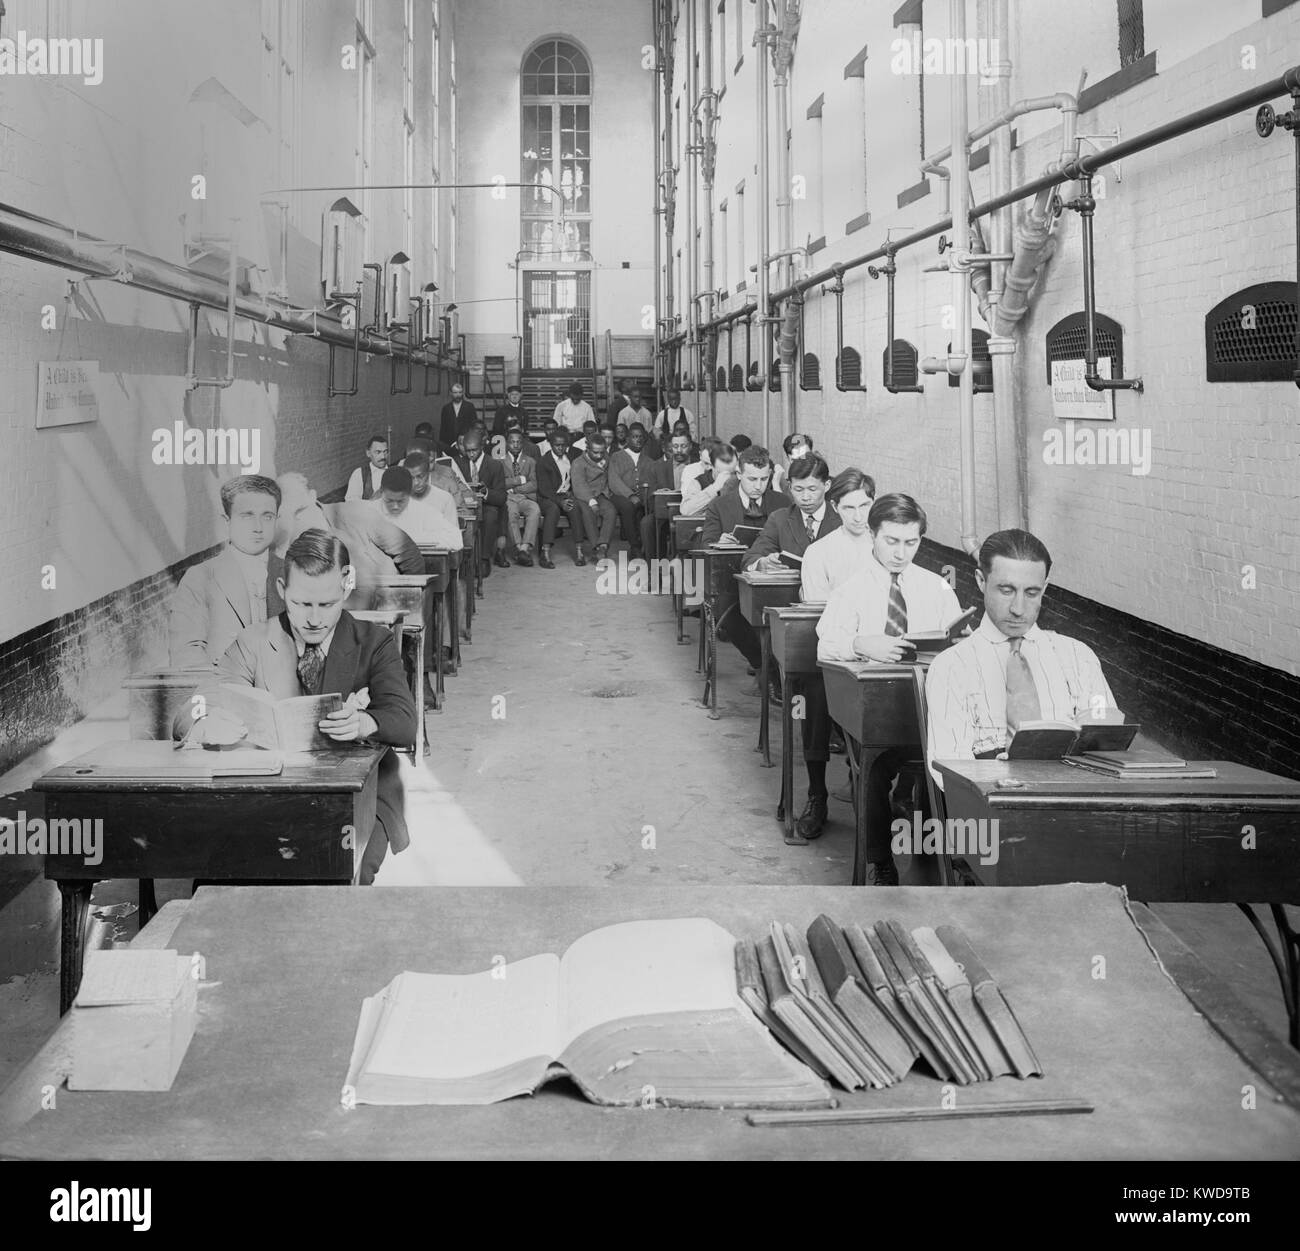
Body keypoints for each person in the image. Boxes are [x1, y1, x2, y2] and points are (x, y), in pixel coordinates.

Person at [174, 529, 416, 885]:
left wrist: (365, 722)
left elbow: (405, 721)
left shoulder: (373, 642)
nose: (314, 619)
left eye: (328, 604)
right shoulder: (253, 642)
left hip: (359, 799)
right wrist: (203, 721)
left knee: (344, 865)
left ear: (346, 589)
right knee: (225, 876)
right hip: (272, 798)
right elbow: (195, 703)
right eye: (302, 604)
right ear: (281, 590)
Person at [817, 494, 964, 885]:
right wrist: (861, 643)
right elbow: (825, 642)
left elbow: (958, 646)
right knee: (875, 768)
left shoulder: (936, 588)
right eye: (891, 541)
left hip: (932, 709)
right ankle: (880, 859)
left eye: (911, 543)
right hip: (879, 713)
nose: (901, 553)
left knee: (957, 763)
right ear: (873, 535)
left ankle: (947, 857)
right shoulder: (851, 590)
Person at [926, 527, 1120, 776]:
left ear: (1045, 587)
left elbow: (1109, 750)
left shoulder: (1078, 657)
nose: (1019, 609)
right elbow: (949, 769)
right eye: (1006, 590)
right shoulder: (951, 666)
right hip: (994, 804)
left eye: (1031, 592)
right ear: (981, 581)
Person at [742, 454, 842, 837]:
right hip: (798, 625)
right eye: (797, 489)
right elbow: (753, 555)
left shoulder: (844, 522)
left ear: (827, 485)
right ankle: (817, 792)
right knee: (809, 699)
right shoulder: (780, 520)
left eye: (812, 489)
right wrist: (763, 563)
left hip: (841, 626)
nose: (804, 496)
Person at [701, 446, 792, 698]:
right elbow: (705, 543)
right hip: (732, 579)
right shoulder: (720, 506)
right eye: (752, 479)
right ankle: (765, 666)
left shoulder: (782, 502)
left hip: (775, 578)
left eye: (764, 479)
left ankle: (782, 670)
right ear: (738, 474)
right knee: (728, 614)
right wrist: (720, 542)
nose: (758, 486)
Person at [169, 475, 286, 667]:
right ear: (227, 521)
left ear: (276, 519)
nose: (258, 528)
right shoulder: (201, 578)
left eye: (267, 516)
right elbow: (186, 655)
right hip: (224, 690)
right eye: (247, 516)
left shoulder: (293, 572)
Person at [276, 472, 423, 607]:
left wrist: (412, 606)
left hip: (390, 604)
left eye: (301, 511)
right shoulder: (291, 546)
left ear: (313, 497)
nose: (300, 520)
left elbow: (408, 552)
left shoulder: (356, 513)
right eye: (291, 517)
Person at [800, 468, 878, 602]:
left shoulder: (888, 545)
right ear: (835, 506)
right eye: (849, 508)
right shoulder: (818, 553)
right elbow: (817, 611)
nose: (858, 517)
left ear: (874, 501)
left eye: (864, 506)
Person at [449, 428, 509, 571]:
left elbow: (502, 497)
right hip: (465, 505)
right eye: (467, 450)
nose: (470, 454)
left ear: (482, 447)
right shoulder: (458, 464)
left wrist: (486, 492)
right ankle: (462, 558)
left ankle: (484, 558)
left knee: (490, 515)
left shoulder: (495, 465)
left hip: (488, 505)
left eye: (474, 450)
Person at [371, 465, 463, 550]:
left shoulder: (423, 511)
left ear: (409, 493)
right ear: (381, 492)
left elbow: (456, 540)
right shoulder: (369, 510)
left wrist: (413, 538)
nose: (395, 507)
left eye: (400, 501)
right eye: (389, 501)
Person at [639, 430, 694, 558]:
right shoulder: (658, 467)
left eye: (683, 446)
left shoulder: (699, 465)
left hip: (693, 513)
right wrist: (656, 494)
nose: (679, 450)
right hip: (665, 515)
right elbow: (647, 498)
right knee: (647, 523)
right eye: (675, 446)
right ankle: (655, 568)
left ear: (690, 446)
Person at [536, 426, 585, 569]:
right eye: (557, 445)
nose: (560, 448)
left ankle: (579, 551)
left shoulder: (570, 457)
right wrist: (560, 501)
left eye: (564, 445)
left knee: (574, 507)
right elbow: (544, 489)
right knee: (553, 510)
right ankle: (545, 553)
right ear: (551, 445)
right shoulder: (544, 461)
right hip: (547, 497)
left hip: (565, 495)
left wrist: (569, 495)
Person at [608, 423, 658, 560]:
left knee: (646, 508)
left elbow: (652, 482)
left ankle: (646, 545)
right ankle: (635, 546)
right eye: (635, 437)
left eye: (641, 437)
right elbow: (614, 480)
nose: (638, 440)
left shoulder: (649, 461)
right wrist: (630, 495)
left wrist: (644, 496)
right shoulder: (616, 457)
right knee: (628, 506)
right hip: (620, 495)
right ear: (628, 438)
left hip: (641, 495)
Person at [570, 425, 618, 565]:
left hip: (601, 494)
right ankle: (595, 547)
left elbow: (610, 477)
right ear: (587, 449)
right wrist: (591, 501)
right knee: (588, 513)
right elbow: (579, 485)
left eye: (601, 452)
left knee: (610, 511)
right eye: (595, 452)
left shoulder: (606, 458)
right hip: (583, 496)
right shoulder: (578, 463)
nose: (599, 456)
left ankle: (603, 545)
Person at [502, 428, 541, 566]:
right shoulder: (499, 461)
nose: (516, 445)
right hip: (508, 499)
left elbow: (535, 484)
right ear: (507, 443)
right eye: (512, 442)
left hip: (525, 497)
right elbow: (501, 483)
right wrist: (519, 480)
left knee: (535, 509)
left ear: (522, 443)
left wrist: (514, 488)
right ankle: (518, 547)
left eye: (518, 442)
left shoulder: (530, 461)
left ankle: (525, 548)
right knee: (510, 512)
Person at [680, 439, 738, 517]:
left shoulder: (740, 479)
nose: (727, 477)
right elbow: (685, 510)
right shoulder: (699, 482)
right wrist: (714, 488)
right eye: (721, 473)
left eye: (731, 472)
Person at [345, 434, 389, 501]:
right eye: (378, 452)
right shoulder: (359, 474)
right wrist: (373, 499)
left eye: (385, 452)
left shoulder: (394, 473)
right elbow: (351, 504)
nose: (383, 456)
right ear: (368, 453)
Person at [438, 382, 478, 449]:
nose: (458, 395)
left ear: (462, 393)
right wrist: (442, 444)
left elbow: (473, 425)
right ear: (451, 393)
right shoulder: (446, 408)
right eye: (455, 393)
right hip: (449, 442)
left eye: (460, 392)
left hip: (466, 441)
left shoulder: (469, 406)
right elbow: (443, 427)